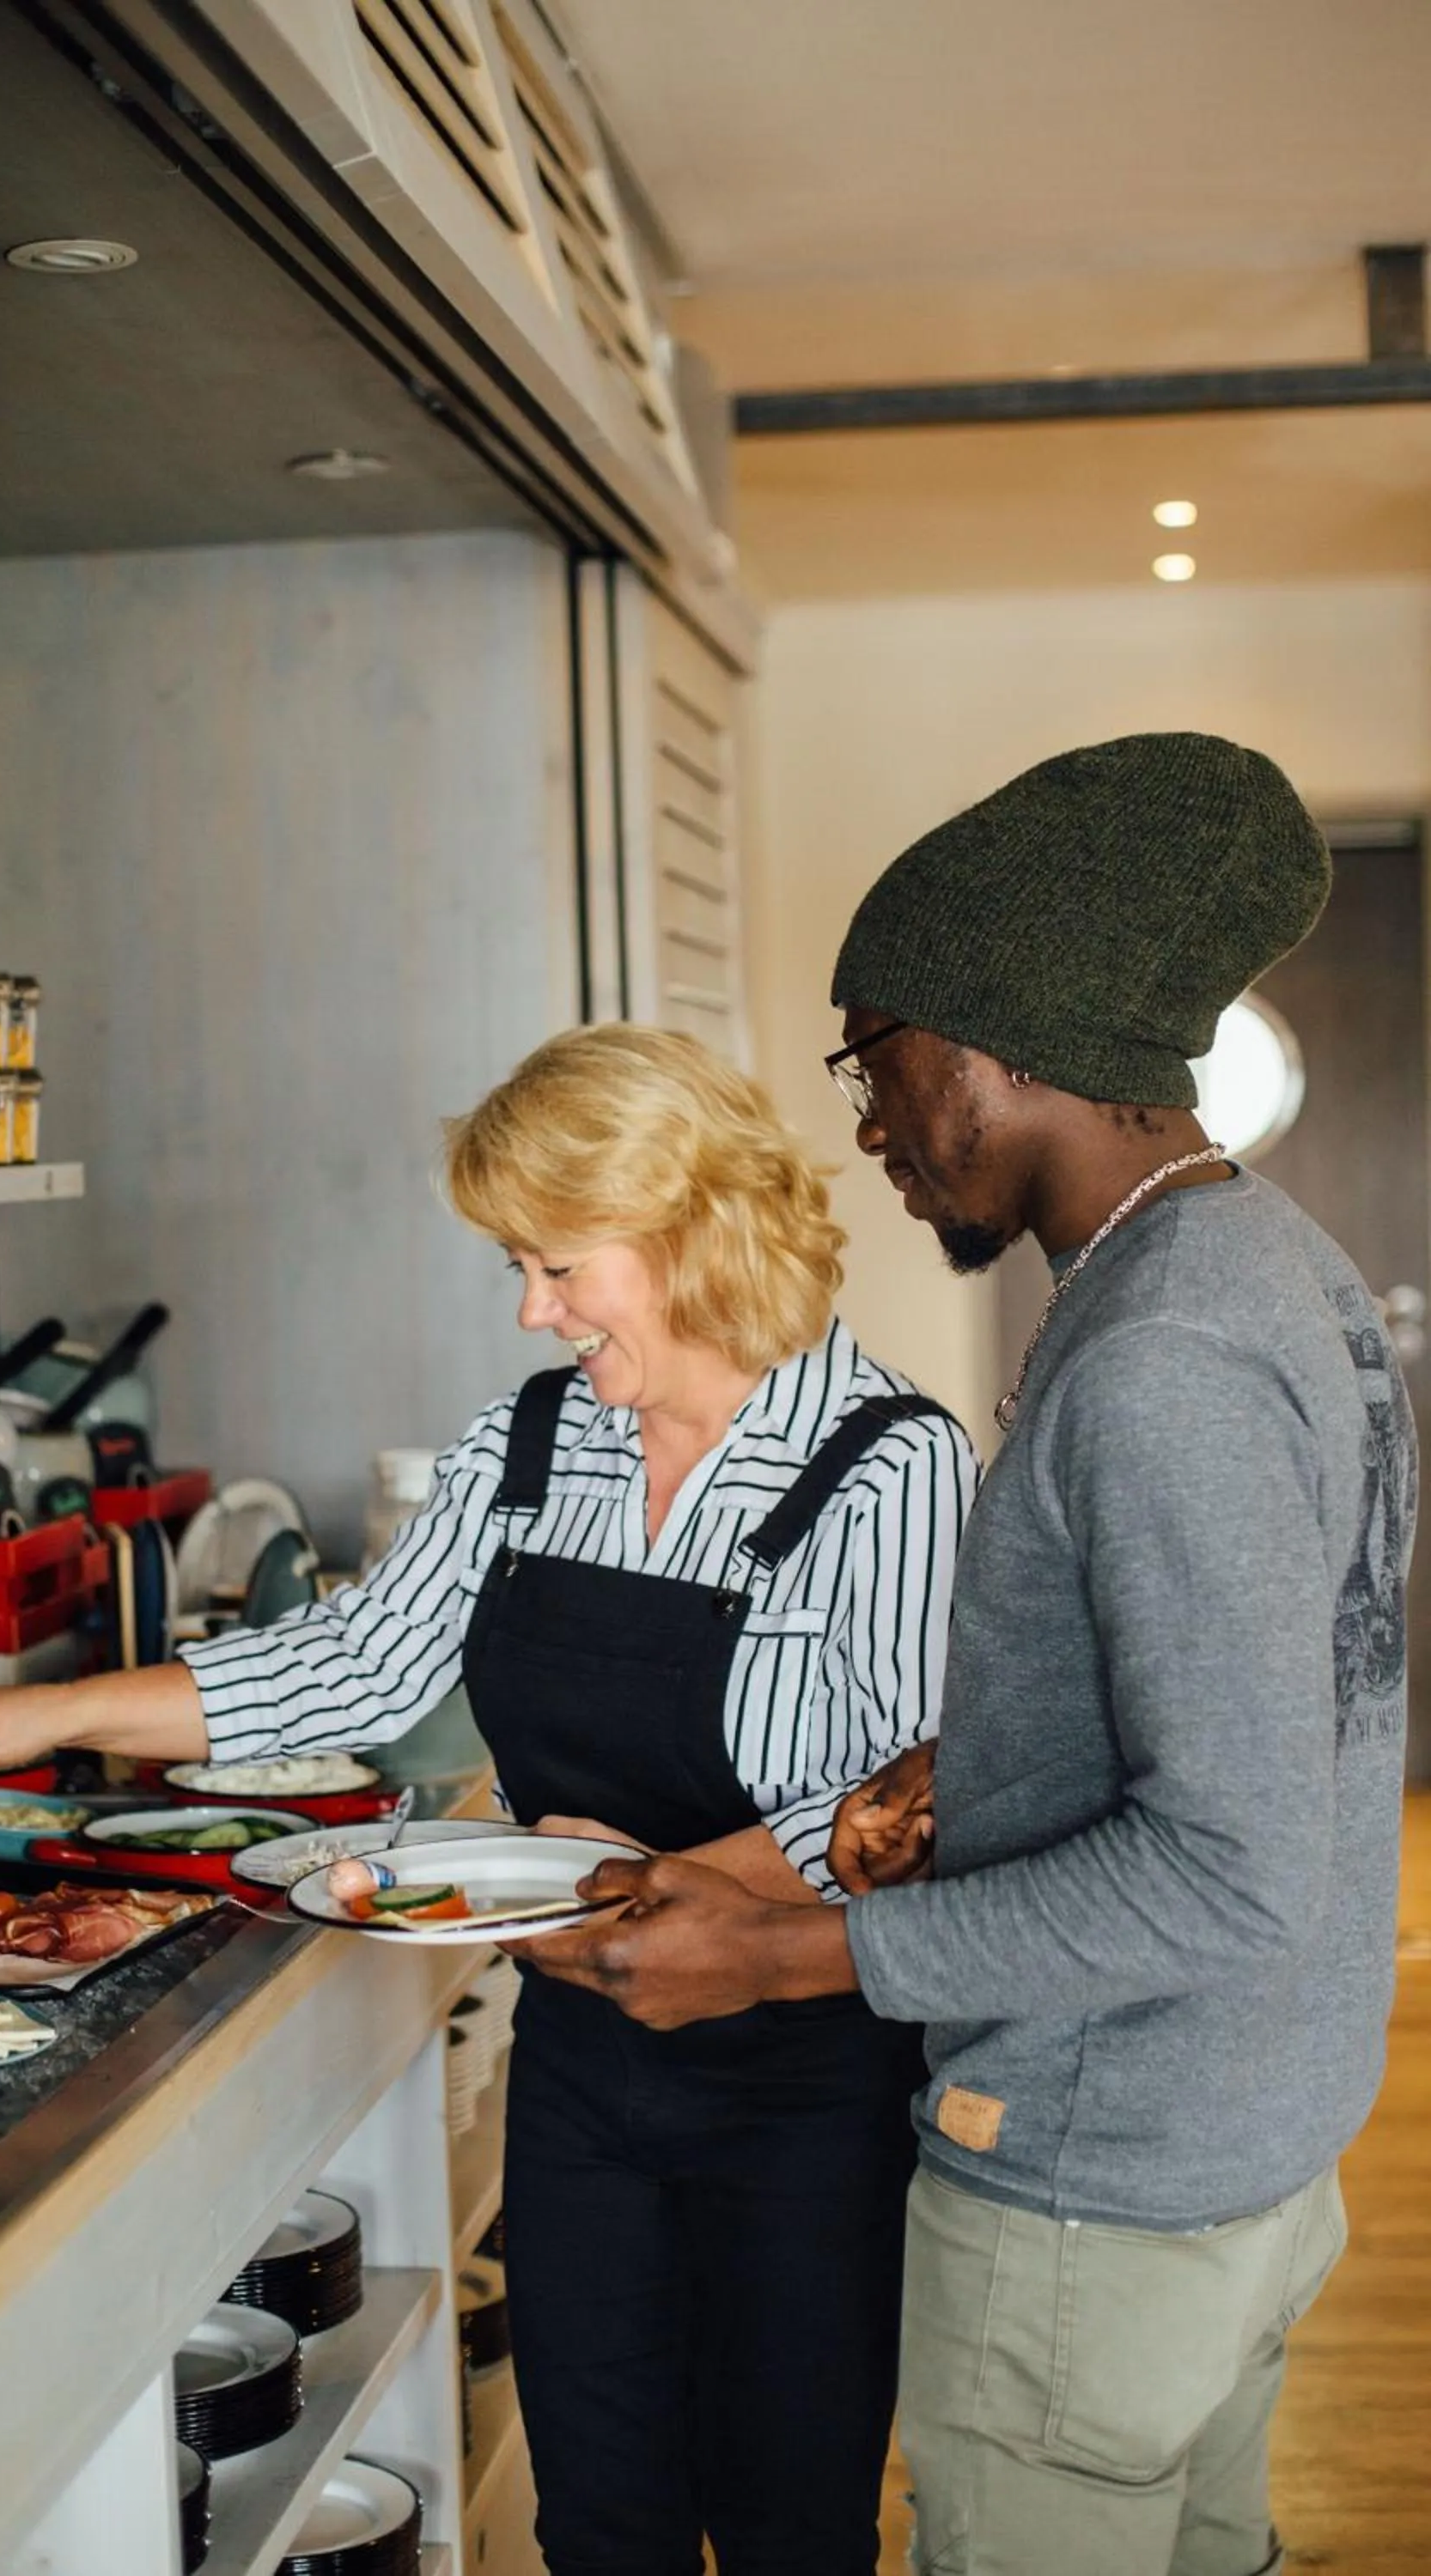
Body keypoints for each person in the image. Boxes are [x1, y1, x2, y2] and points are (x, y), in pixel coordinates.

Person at [0, 1022, 978, 2576]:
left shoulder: (891, 1465)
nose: (534, 1310)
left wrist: (638, 1884)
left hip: (806, 2083)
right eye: (517, 1269)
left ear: (686, 1226)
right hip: (588, 2067)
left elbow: (890, 1808)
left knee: (791, 2520)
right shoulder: (530, 1445)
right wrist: (43, 1713)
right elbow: (352, 1666)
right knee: (598, 2517)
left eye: (558, 1263)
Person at [530, 734, 1416, 2576]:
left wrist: (795, 1950)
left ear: (992, 1047)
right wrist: (982, 1763)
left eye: (876, 1053)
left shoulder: (1157, 1359)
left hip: (1097, 2192)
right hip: (1241, 2146)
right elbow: (1277, 1693)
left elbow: (1229, 1859)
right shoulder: (1269, 1272)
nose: (863, 1116)